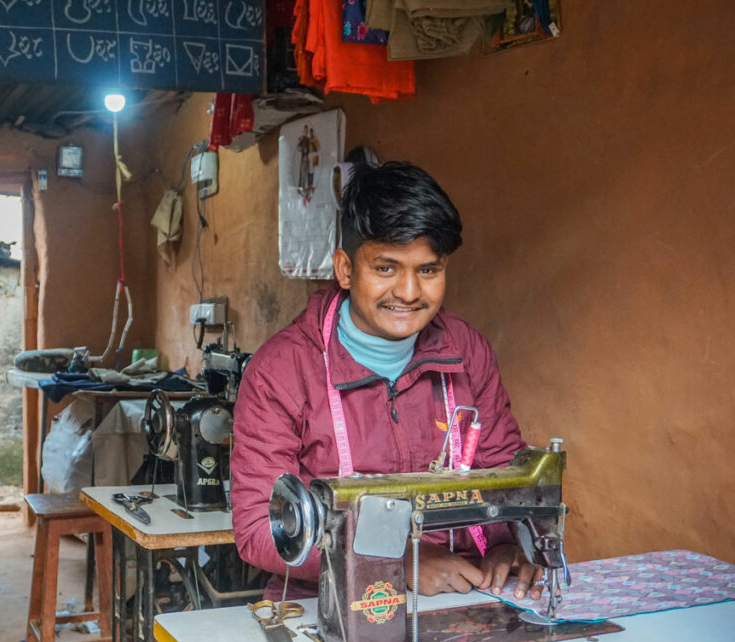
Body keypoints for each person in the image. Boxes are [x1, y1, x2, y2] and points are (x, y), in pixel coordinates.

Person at [231, 161, 544, 603]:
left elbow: (504, 476)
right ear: (344, 269)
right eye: (386, 268)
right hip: (327, 607)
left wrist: (508, 547)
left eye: (429, 270)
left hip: (460, 594)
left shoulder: (465, 350)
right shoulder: (282, 371)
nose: (410, 292)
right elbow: (261, 529)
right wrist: (400, 566)